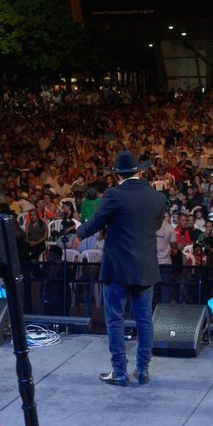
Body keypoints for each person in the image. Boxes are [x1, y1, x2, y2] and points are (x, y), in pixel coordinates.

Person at [76, 150, 166, 386]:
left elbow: (96, 222)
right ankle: (143, 370)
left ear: (118, 176)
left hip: (117, 267)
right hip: (145, 266)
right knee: (145, 319)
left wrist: (79, 232)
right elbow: (154, 225)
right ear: (139, 171)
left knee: (115, 319)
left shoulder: (115, 195)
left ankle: (119, 372)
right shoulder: (157, 197)